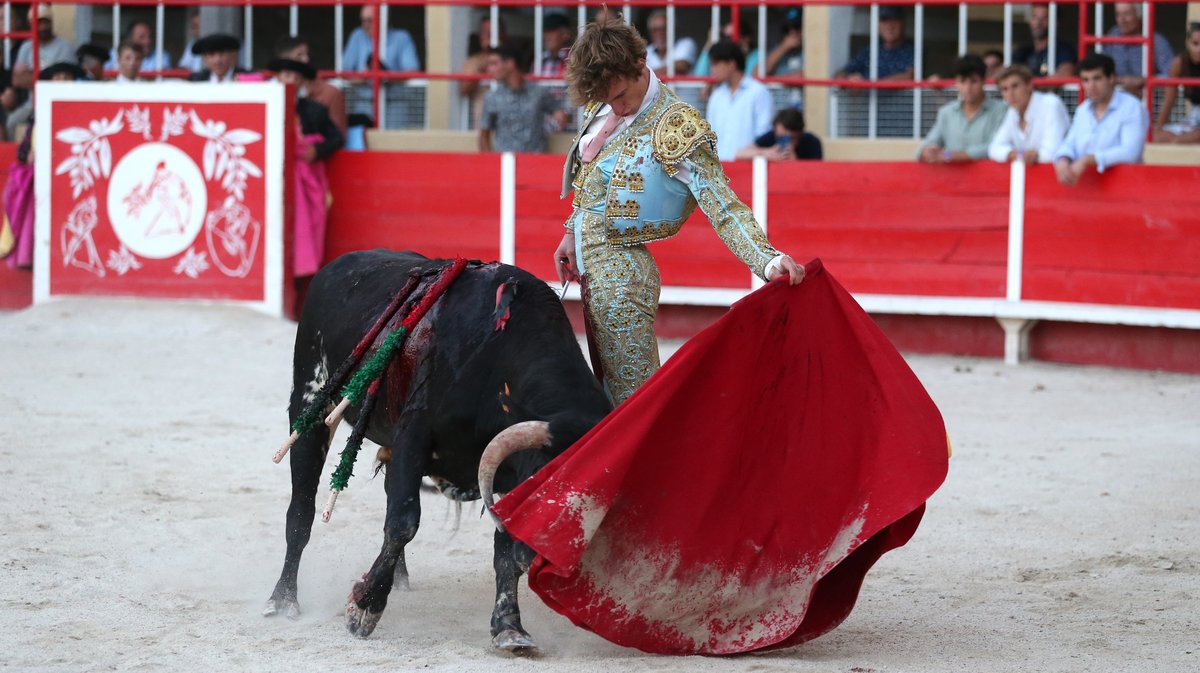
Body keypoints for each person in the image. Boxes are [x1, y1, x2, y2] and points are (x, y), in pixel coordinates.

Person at [553, 16, 805, 405]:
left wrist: (767, 261)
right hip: (590, 269)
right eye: (607, 99)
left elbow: (723, 206)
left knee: (631, 402)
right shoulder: (602, 101)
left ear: (640, 64)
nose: (615, 107)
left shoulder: (679, 126)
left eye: (619, 95)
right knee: (605, 393)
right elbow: (592, 178)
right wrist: (572, 232)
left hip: (623, 281)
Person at [266, 58, 344, 312]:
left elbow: (335, 137)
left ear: (301, 82)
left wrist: (316, 150)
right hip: (271, 185)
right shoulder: (266, 107)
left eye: (294, 76)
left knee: (301, 239)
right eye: (284, 74)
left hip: (302, 186)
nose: (289, 80)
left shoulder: (313, 110)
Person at [1054, 53, 1148, 186]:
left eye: (1097, 78)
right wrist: (1063, 159)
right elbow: (1069, 143)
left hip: (1126, 185)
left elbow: (1130, 152)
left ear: (1111, 78)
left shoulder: (1132, 107)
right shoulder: (1083, 110)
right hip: (1087, 187)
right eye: (1086, 80)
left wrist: (1088, 160)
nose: (1091, 86)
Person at [917, 55, 1007, 163]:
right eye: (963, 81)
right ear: (956, 83)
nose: (968, 88)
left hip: (991, 177)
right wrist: (927, 151)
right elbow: (928, 143)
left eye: (974, 81)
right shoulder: (947, 112)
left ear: (984, 81)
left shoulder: (1001, 110)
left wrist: (950, 155)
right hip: (953, 178)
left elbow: (996, 147)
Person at [479, 45, 568, 153]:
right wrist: (489, 163)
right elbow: (484, 135)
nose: (489, 69)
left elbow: (559, 112)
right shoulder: (491, 98)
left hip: (536, 162)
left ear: (510, 64)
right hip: (506, 165)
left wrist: (560, 116)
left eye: (494, 63)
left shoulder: (538, 92)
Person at [704, 40, 775, 161]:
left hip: (748, 166)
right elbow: (710, 137)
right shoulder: (716, 96)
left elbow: (764, 135)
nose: (712, 69)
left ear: (732, 64)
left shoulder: (758, 92)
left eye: (716, 64)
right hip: (720, 169)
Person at [988, 64, 1070, 163]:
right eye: (1005, 89)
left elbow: (1053, 153)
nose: (1010, 94)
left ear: (1029, 85)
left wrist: (1032, 156)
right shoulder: (1012, 111)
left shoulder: (1050, 104)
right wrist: (1016, 154)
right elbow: (994, 149)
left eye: (1015, 86)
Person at [275, 35, 348, 138]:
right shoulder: (272, 94)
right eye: (299, 55)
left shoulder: (331, 93)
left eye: (307, 55)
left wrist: (313, 148)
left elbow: (339, 137)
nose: (306, 59)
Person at [1106, 2, 1174, 98]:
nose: (1122, 20)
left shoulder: (1157, 41)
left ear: (1139, 15)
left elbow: (1171, 74)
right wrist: (1120, 80)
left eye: (1127, 14)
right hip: (1117, 100)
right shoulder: (1112, 36)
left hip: (1150, 101)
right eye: (1118, 14)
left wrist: (1143, 81)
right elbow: (1102, 70)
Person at [835, 6, 914, 81]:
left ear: (903, 24)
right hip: (864, 94)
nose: (890, 26)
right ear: (878, 25)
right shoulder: (869, 51)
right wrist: (849, 80)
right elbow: (842, 74)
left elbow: (910, 76)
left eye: (895, 20)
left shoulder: (912, 51)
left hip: (893, 95)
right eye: (884, 20)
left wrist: (867, 85)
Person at [1152, 22, 1200, 144]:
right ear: (1187, 43)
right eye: (1195, 44)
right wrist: (1158, 128)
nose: (1199, 49)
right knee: (1157, 136)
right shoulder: (1179, 63)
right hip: (1194, 118)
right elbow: (1169, 99)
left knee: (1182, 140)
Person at [341, 4, 420, 73]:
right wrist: (363, 76)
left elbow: (412, 71)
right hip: (364, 90)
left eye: (369, 21)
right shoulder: (357, 36)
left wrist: (387, 75)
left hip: (392, 89)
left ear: (383, 19)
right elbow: (344, 72)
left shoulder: (401, 38)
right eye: (363, 21)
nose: (365, 25)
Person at [460, 15, 506, 127]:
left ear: (501, 34)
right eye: (483, 32)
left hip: (507, 124)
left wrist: (498, 55)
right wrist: (481, 68)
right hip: (482, 124)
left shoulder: (509, 59)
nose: (486, 36)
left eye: (490, 32)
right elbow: (463, 89)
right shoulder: (473, 61)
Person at [734, 108, 823, 161]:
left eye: (790, 138)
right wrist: (764, 152)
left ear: (799, 134)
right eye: (781, 138)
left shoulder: (811, 142)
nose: (784, 141)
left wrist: (795, 161)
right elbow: (739, 154)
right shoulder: (771, 137)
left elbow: (815, 173)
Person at [1013, 4, 1076, 77]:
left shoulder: (1063, 50)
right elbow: (1007, 74)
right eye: (1034, 17)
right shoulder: (1023, 52)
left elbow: (1065, 73)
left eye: (1045, 18)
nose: (1038, 23)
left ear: (1055, 22)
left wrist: (1030, 85)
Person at [104, 20, 172, 73]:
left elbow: (162, 80)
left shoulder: (161, 56)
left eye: (149, 37)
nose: (147, 41)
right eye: (141, 37)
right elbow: (104, 75)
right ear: (130, 38)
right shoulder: (114, 53)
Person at [644, 10, 698, 76]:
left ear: (673, 29)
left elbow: (681, 66)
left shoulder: (686, 43)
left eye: (663, 29)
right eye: (655, 30)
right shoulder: (646, 51)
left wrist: (649, 74)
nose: (659, 33)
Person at [763, 8, 804, 77]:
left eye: (797, 27)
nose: (792, 33)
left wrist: (771, 81)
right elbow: (757, 74)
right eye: (786, 29)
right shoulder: (776, 50)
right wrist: (783, 47)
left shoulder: (811, 51)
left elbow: (802, 76)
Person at [540, 13, 573, 77]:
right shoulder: (539, 60)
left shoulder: (573, 59)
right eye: (546, 31)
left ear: (565, 34)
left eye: (552, 31)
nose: (547, 36)